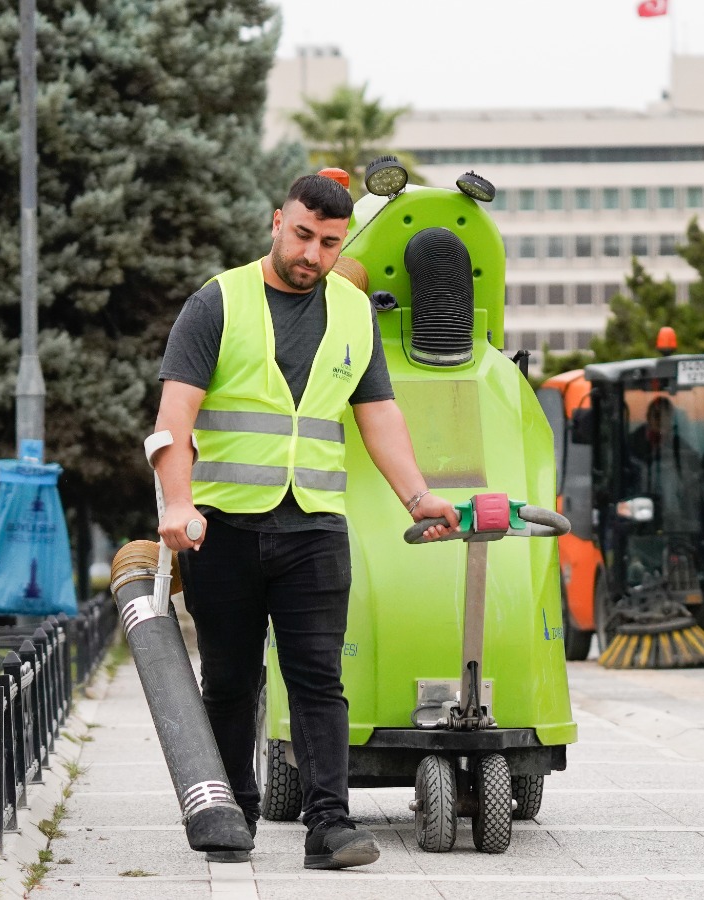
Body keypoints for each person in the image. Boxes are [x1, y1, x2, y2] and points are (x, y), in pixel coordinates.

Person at [153, 174, 458, 870]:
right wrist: (178, 502)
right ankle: (230, 811)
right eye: (301, 235)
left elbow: (378, 415)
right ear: (275, 222)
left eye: (328, 242)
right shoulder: (217, 302)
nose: (312, 254)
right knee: (231, 678)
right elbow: (175, 420)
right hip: (224, 526)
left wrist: (419, 497)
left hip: (314, 527)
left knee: (318, 675)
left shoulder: (353, 312)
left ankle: (330, 825)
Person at [624, 396, 701, 530]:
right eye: (657, 417)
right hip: (638, 506)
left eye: (666, 418)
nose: (661, 423)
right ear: (649, 418)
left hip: (673, 512)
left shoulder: (679, 446)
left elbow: (694, 465)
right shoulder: (631, 444)